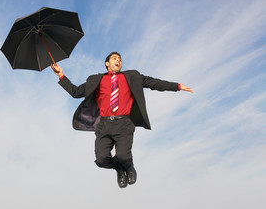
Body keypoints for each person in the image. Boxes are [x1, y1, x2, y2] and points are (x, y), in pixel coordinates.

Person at [51, 52, 193, 188]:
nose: (118, 60)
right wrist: (61, 75)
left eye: (120, 59)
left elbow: (154, 83)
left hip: (124, 123)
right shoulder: (95, 80)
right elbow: (76, 92)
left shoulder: (132, 76)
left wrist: (178, 86)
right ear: (107, 63)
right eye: (114, 58)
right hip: (104, 125)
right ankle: (119, 168)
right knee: (101, 160)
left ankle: (129, 167)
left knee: (123, 156)